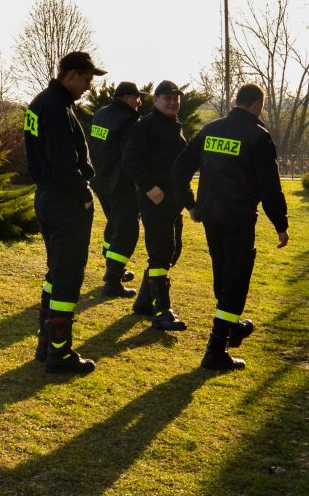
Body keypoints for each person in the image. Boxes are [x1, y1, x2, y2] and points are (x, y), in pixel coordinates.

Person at [172, 83, 289, 371]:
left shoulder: (210, 129)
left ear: (236, 101)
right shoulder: (258, 136)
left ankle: (233, 327)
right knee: (235, 278)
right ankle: (215, 350)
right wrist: (280, 224)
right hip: (238, 218)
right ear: (257, 104)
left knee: (223, 273)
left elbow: (179, 169)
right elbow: (270, 187)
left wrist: (191, 204)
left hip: (210, 215)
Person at [24, 51, 106, 374]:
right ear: (70, 74)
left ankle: (46, 345)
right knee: (68, 274)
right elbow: (62, 162)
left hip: (47, 197)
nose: (87, 87)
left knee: (56, 272)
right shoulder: (57, 108)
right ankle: (60, 353)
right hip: (65, 201)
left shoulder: (40, 103)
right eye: (86, 79)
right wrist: (84, 194)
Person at [123, 80, 189, 331]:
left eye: (175, 98)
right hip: (155, 201)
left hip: (172, 202)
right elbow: (130, 161)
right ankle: (161, 311)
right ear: (155, 100)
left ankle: (143, 302)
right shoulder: (146, 126)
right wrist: (150, 188)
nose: (172, 102)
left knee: (172, 251)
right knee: (161, 252)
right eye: (167, 98)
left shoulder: (174, 127)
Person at [88, 81, 143, 298]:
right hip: (120, 184)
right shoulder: (129, 120)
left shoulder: (100, 114)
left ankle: (112, 267)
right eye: (137, 98)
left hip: (100, 180)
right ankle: (112, 282)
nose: (139, 103)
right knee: (127, 230)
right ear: (127, 97)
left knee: (114, 223)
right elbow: (130, 156)